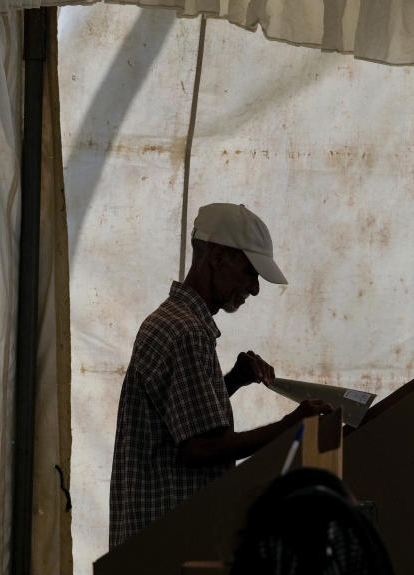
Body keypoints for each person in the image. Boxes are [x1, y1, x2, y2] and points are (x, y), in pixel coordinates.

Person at [109, 202, 332, 548]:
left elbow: (176, 423)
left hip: (149, 545)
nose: (255, 289)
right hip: (167, 548)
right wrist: (293, 425)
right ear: (216, 257)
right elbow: (200, 448)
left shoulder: (170, 320)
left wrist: (231, 382)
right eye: (248, 272)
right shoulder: (188, 332)